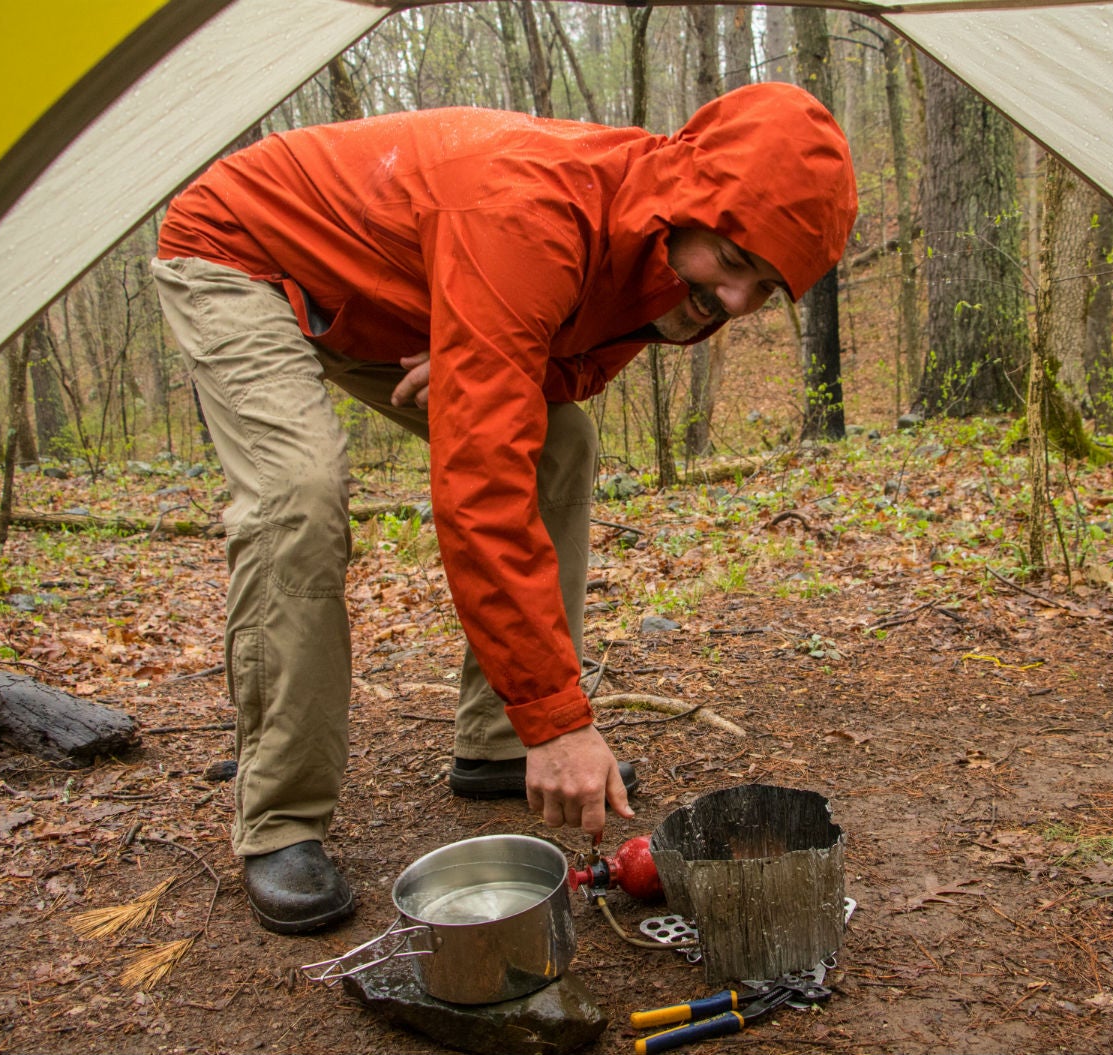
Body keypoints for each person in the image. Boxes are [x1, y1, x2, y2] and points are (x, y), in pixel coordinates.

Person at [151, 82, 857, 934]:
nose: (737, 303)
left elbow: (576, 366)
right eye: (737, 265)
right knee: (299, 492)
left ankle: (495, 740)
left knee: (564, 441)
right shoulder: (532, 213)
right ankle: (280, 821)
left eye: (766, 287)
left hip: (398, 296)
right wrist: (561, 719)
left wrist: (482, 362)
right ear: (690, 198)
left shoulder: (659, 246)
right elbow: (479, 485)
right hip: (248, 252)